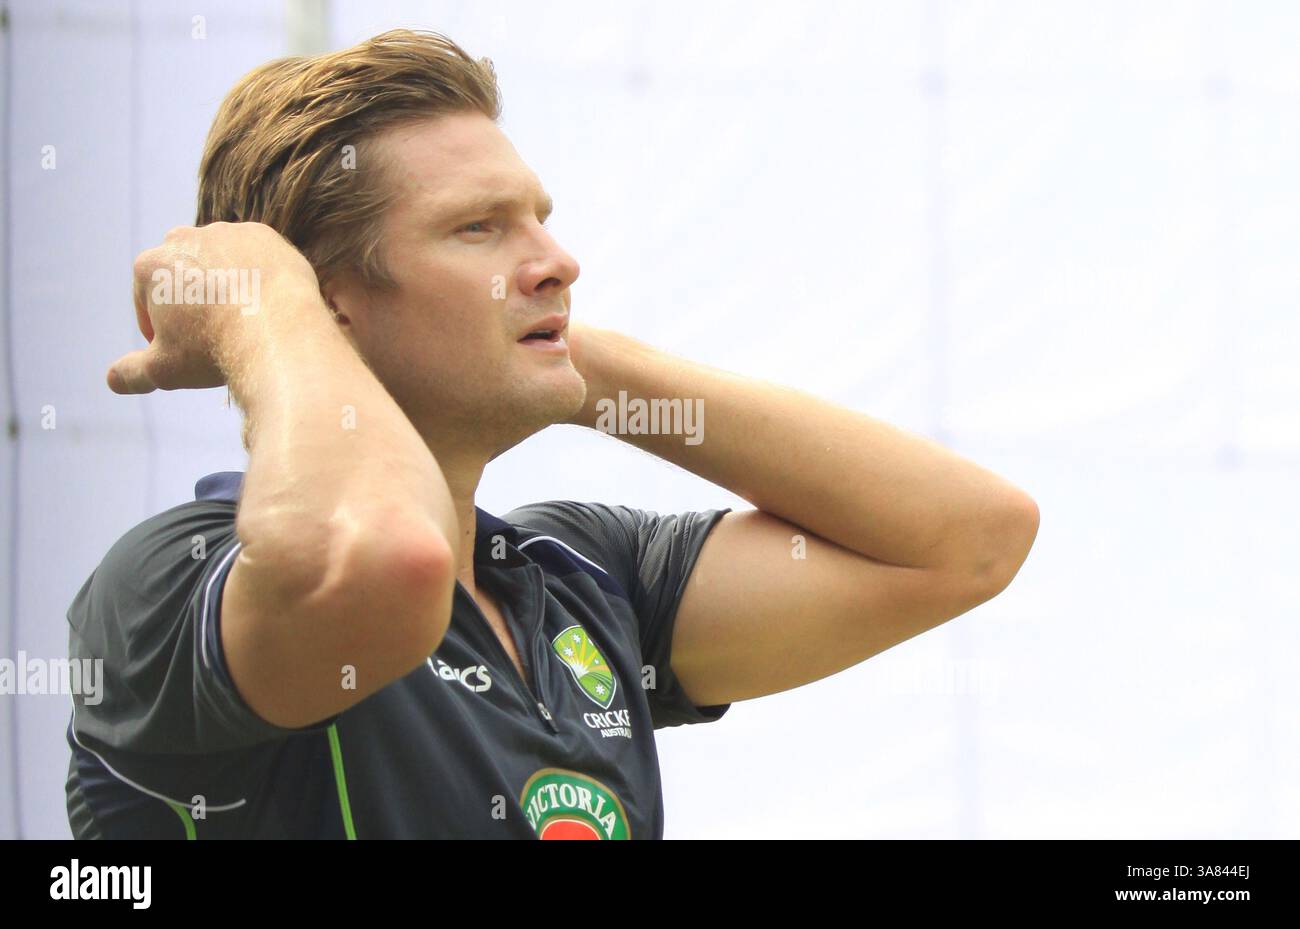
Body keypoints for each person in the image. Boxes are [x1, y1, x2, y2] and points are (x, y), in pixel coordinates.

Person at [65, 29, 1039, 839]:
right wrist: (258, 308)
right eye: (479, 229)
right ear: (330, 302)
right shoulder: (166, 579)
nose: (558, 260)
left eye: (540, 218)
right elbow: (388, 563)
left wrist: (562, 358)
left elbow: (968, 538)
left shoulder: (570, 569)